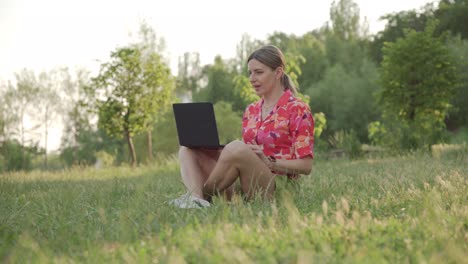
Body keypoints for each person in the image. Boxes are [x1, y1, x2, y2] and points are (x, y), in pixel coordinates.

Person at [170, 45, 314, 208]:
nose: (252, 78)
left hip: (278, 188)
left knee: (236, 147)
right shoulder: (251, 110)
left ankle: (202, 197)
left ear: (278, 72)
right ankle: (197, 199)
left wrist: (271, 162)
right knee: (188, 149)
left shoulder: (297, 109)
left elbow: (306, 166)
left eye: (259, 72)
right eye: (250, 73)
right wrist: (221, 152)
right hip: (245, 182)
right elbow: (245, 154)